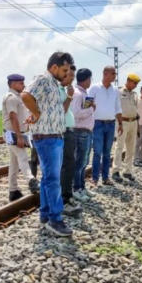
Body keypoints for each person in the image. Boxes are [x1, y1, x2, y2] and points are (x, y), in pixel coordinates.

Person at [21, 52, 74, 237]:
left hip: (54, 136)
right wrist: (36, 114)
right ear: (54, 67)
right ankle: (55, 219)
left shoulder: (54, 83)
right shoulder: (43, 79)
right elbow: (26, 95)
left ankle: (45, 215)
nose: (67, 74)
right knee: (53, 179)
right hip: (47, 137)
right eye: (64, 70)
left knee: (47, 179)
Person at [1, 73, 38, 201]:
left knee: (14, 163)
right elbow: (13, 116)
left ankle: (13, 190)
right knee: (22, 156)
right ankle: (31, 180)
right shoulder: (11, 97)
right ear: (13, 84)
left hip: (17, 132)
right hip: (12, 133)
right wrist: (19, 136)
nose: (24, 85)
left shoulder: (18, 97)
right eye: (21, 83)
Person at [88, 66, 122, 185]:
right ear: (105, 73)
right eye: (113, 73)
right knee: (97, 152)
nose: (115, 76)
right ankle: (95, 178)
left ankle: (106, 178)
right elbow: (87, 104)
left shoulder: (115, 90)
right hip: (97, 124)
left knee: (107, 153)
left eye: (115, 73)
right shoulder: (94, 88)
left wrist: (120, 124)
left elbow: (118, 107)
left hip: (111, 124)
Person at [58, 63, 84, 216]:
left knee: (69, 165)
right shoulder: (59, 90)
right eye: (70, 76)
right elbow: (62, 111)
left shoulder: (63, 89)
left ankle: (67, 196)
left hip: (69, 131)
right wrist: (69, 96)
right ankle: (64, 200)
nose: (72, 80)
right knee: (66, 167)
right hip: (63, 131)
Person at [70, 68, 95, 201]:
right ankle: (76, 189)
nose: (91, 81)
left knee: (84, 162)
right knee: (79, 162)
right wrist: (91, 109)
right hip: (80, 132)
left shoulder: (83, 93)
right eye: (90, 79)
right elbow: (75, 114)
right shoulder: (78, 94)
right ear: (86, 79)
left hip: (86, 132)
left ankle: (82, 187)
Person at [112, 73, 141, 182]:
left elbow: (136, 111)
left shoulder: (134, 94)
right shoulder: (118, 92)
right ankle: (115, 171)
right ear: (128, 81)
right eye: (135, 83)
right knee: (119, 147)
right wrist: (118, 123)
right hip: (122, 122)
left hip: (133, 122)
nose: (136, 85)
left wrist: (137, 127)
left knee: (131, 148)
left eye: (137, 84)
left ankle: (127, 171)